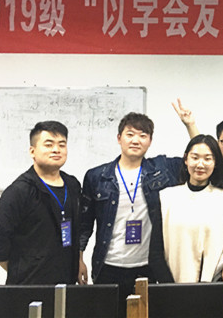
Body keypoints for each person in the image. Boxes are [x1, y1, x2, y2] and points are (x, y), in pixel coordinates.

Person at [78, 112, 182, 318]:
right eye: (130, 134)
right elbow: (84, 224)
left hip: (147, 268)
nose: (136, 140)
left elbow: (200, 155)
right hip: (108, 266)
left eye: (143, 135)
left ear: (150, 141)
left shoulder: (161, 170)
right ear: (119, 138)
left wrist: (190, 124)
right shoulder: (97, 176)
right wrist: (79, 259)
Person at [0, 121, 81, 285]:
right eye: (48, 144)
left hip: (66, 282)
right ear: (32, 151)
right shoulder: (19, 191)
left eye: (62, 145)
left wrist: (78, 262)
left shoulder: (72, 185)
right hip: (29, 286)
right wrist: (19, 269)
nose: (56, 150)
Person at [157, 134, 223, 282]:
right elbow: (155, 251)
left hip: (211, 287)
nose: (200, 164)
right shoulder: (167, 197)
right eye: (195, 158)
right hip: (170, 285)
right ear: (186, 159)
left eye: (207, 159)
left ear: (215, 163)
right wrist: (169, 287)